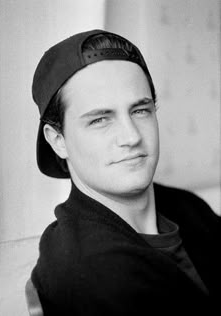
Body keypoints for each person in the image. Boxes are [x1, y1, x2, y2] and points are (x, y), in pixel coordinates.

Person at [31, 29, 220, 315]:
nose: (131, 136)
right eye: (100, 120)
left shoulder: (188, 207)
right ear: (58, 140)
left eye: (140, 111)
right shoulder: (88, 270)